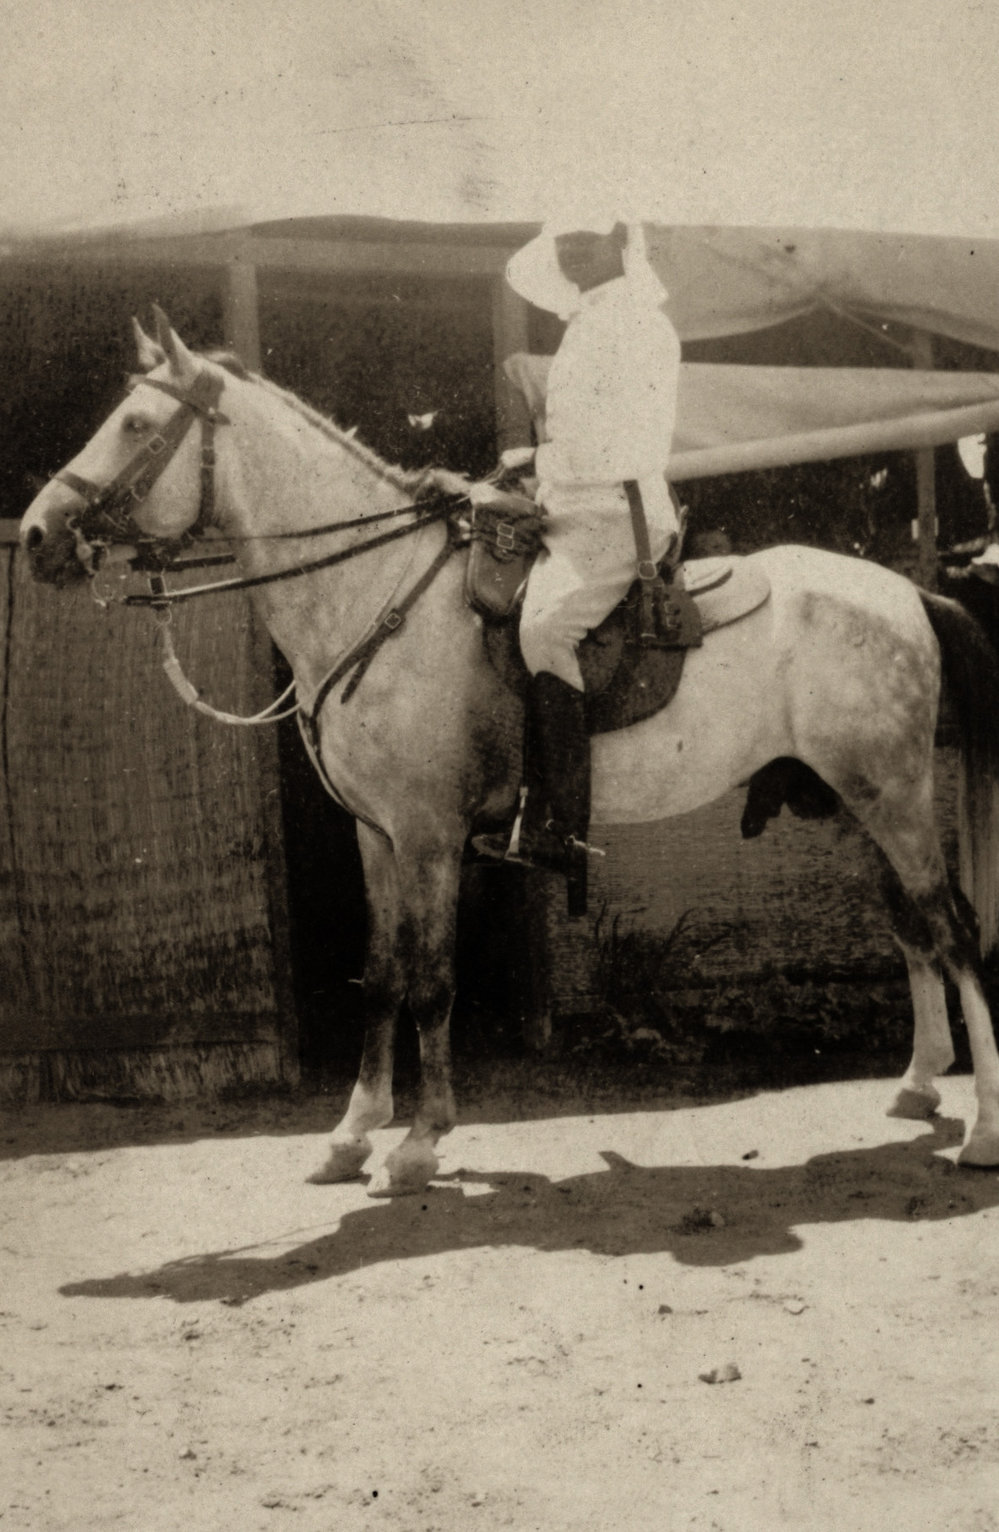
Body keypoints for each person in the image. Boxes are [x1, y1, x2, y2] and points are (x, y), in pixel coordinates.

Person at [475, 216, 682, 914]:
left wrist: (536, 460)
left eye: (585, 240)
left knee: (544, 630)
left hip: (620, 513)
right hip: (573, 508)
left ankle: (563, 829)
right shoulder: (588, 320)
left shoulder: (642, 325)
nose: (571, 253)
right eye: (563, 241)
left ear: (622, 241)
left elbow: (631, 442)